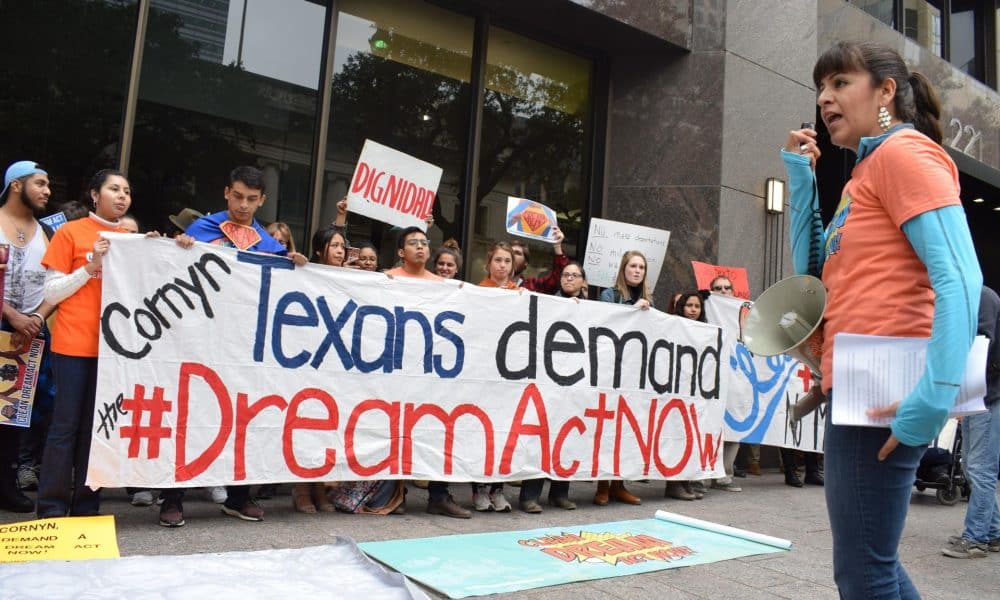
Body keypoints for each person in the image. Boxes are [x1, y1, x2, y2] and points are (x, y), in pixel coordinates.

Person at [782, 41, 981, 597]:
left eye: (840, 83)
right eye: (821, 88)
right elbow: (812, 277)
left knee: (865, 572)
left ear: (886, 91)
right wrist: (800, 176)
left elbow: (960, 278)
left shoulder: (903, 154)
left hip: (884, 393)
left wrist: (933, 399)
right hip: (861, 387)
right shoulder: (868, 169)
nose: (825, 98)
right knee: (873, 567)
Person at [36, 169, 193, 517]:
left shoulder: (131, 240)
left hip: (116, 351)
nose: (122, 196)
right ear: (95, 194)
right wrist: (90, 266)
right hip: (73, 345)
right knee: (64, 427)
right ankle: (51, 508)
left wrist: (174, 248)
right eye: (114, 189)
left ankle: (86, 506)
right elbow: (52, 292)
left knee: (97, 430)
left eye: (127, 191)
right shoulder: (70, 232)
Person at [159, 166, 306, 527]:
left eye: (251, 199)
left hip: (243, 344)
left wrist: (297, 266)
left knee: (245, 416)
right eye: (238, 196)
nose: (243, 205)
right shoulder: (200, 230)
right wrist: (177, 249)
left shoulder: (269, 245)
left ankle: (239, 497)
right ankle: (172, 497)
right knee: (189, 414)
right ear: (227, 192)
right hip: (197, 339)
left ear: (262, 200)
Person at [0, 161, 56, 513]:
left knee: (15, 413)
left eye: (48, 185)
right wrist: (10, 314)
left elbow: (58, 282)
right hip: (5, 323)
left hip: (32, 332)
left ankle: (6, 485)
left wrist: (36, 318)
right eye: (40, 183)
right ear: (16, 185)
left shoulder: (48, 231)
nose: (47, 191)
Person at [516, 262, 589, 513]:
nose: (569, 279)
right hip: (547, 379)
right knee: (542, 437)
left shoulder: (591, 310)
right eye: (566, 275)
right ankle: (529, 496)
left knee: (568, 438)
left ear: (583, 282)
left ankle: (560, 493)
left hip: (575, 380)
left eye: (575, 275)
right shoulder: (548, 302)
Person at [941, 285, 1000, 558]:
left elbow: (980, 345)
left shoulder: (982, 297)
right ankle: (993, 532)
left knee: (980, 468)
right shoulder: (974, 296)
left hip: (988, 395)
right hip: (979, 394)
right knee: (971, 465)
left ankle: (975, 539)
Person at [593, 251, 648, 506]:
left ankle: (619, 485)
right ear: (623, 269)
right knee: (607, 429)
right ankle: (602, 485)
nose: (637, 271)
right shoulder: (609, 295)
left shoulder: (648, 300)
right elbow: (606, 322)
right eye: (633, 266)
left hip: (633, 373)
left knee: (626, 430)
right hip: (609, 370)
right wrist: (631, 311)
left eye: (641, 267)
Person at [664, 291, 717, 500]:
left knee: (690, 437)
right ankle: (673, 484)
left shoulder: (705, 331)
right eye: (689, 306)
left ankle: (686, 482)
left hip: (694, 393)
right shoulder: (672, 326)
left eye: (697, 306)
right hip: (675, 391)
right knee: (676, 437)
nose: (693, 310)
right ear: (681, 307)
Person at [710, 275, 757, 478]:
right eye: (717, 288)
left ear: (732, 291)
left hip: (739, 382)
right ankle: (707, 473)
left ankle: (725, 475)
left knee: (734, 427)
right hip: (714, 380)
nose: (723, 291)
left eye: (726, 288)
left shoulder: (745, 313)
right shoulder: (707, 310)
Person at [510, 228, 567, 293]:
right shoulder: (498, 281)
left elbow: (557, 278)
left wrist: (557, 245)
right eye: (510, 252)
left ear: (525, 263)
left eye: (517, 253)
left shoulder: (532, 286)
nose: (512, 255)